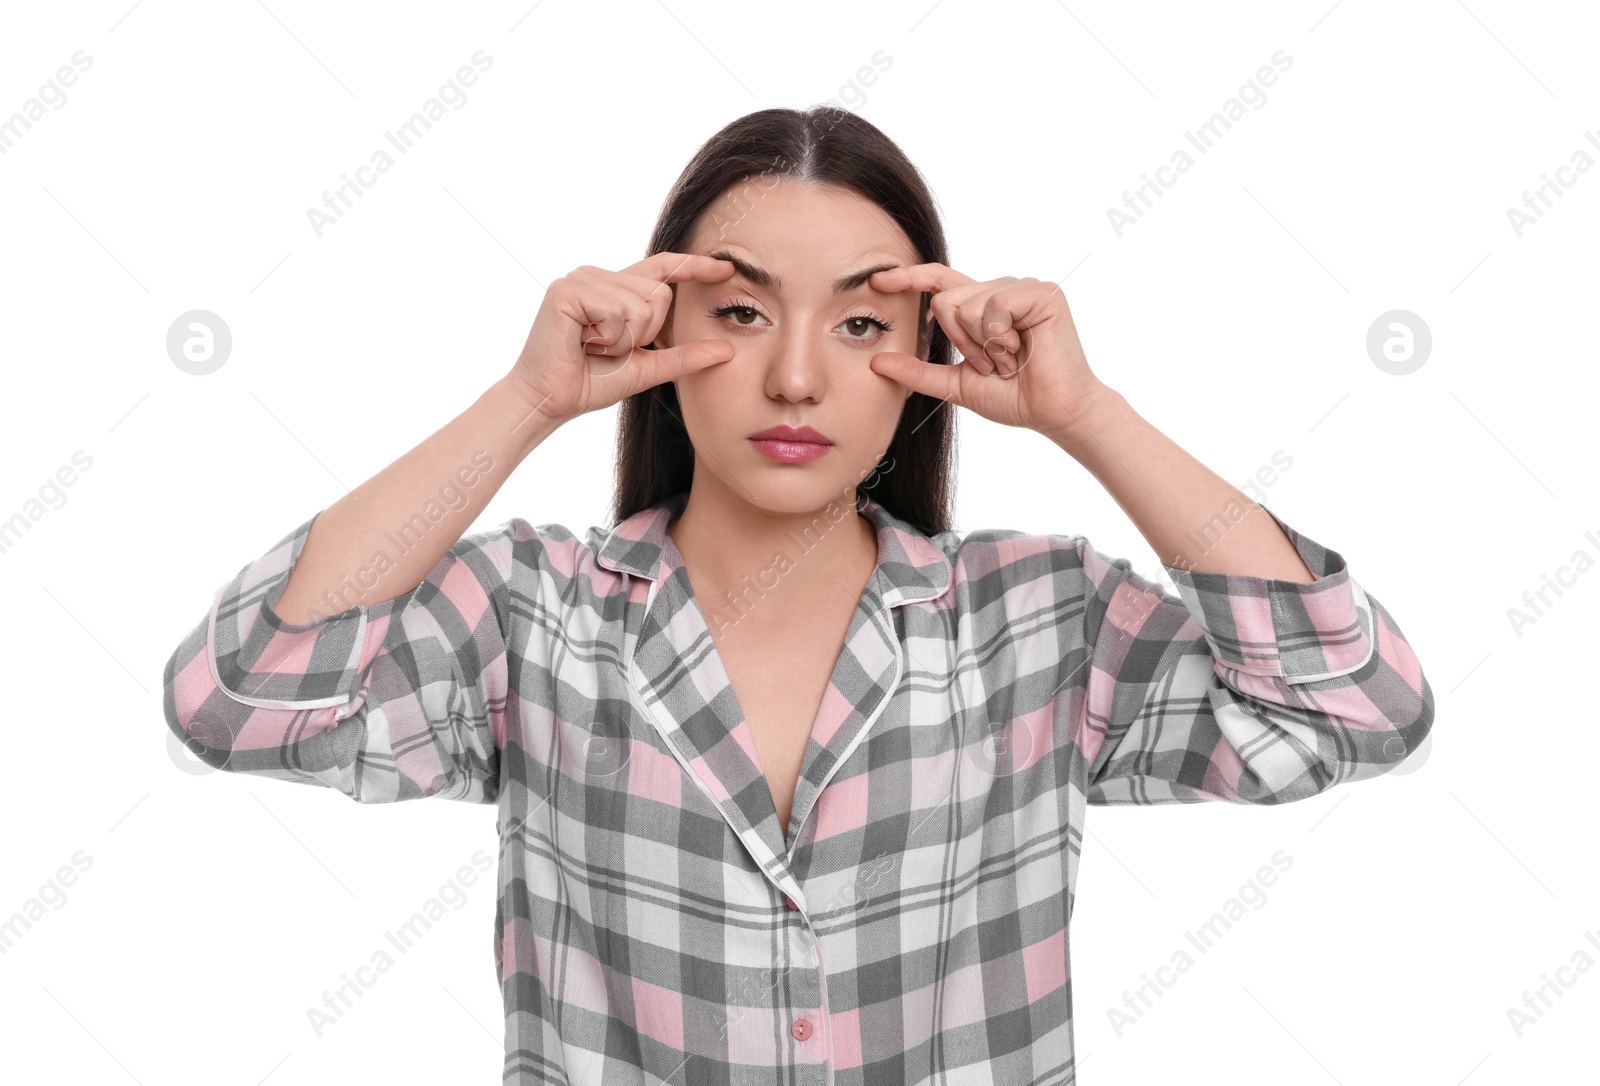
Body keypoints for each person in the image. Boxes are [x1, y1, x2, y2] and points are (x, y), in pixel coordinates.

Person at [163, 105, 1434, 1084]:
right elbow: (238, 703)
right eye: (738, 309)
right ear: (663, 330)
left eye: (862, 326)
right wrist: (529, 400)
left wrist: (1089, 418)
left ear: (927, 352)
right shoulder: (534, 613)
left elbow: (1356, 711)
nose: (792, 378)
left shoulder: (1038, 618)